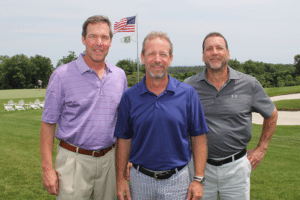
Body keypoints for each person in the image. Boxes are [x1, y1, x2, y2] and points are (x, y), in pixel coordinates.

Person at [40, 15, 127, 200]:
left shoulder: (119, 76)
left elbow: (123, 125)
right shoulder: (62, 75)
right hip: (73, 161)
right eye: (93, 36)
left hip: (108, 162)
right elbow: (48, 123)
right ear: (83, 39)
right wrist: (47, 169)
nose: (99, 43)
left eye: (104, 37)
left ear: (110, 41)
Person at [114, 31, 209, 200]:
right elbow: (124, 140)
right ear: (142, 58)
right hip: (140, 180)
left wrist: (198, 179)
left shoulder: (187, 94)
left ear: (171, 58)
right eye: (151, 54)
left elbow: (198, 138)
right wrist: (121, 179)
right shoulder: (129, 97)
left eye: (163, 54)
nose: (157, 59)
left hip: (178, 180)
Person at [185, 32, 278, 200]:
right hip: (200, 169)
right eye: (209, 49)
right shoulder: (189, 87)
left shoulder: (249, 84)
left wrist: (262, 148)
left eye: (219, 48)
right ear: (203, 56)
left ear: (228, 53)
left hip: (237, 167)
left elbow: (271, 114)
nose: (214, 52)